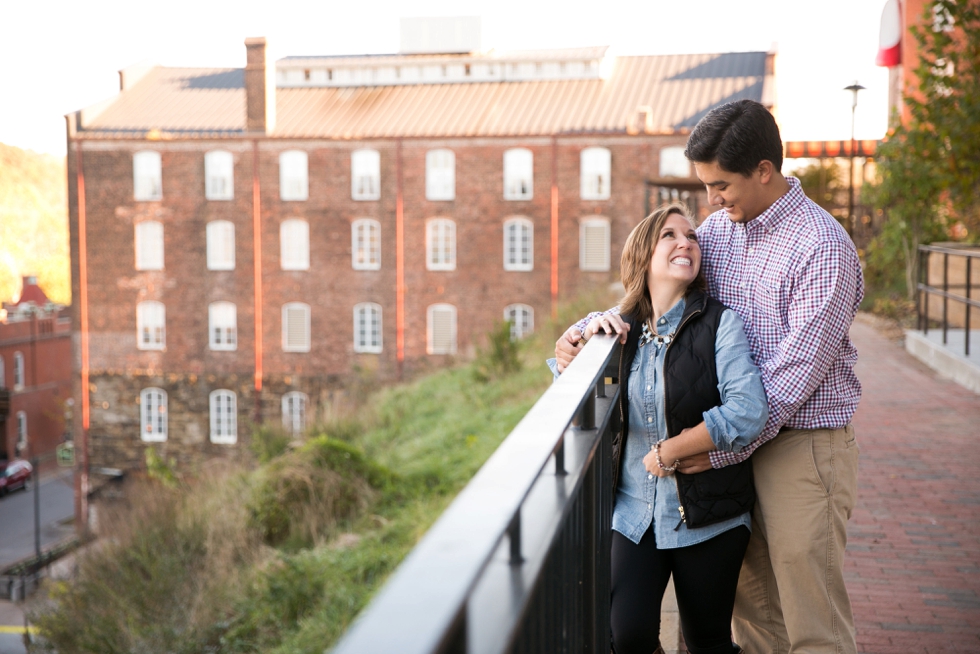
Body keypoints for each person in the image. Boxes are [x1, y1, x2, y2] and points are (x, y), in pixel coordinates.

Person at [557, 99, 863, 654]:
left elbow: (790, 382)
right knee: (752, 614)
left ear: (764, 172)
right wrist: (582, 333)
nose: (710, 200)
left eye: (720, 184)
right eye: (705, 186)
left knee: (809, 612)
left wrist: (712, 449)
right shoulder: (717, 233)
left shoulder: (823, 248)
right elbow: (654, 298)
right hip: (727, 446)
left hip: (800, 443)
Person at [552, 203, 768, 654]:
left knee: (706, 642)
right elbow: (569, 386)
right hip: (634, 516)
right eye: (669, 235)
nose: (685, 242)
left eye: (691, 236)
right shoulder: (617, 327)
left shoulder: (720, 324)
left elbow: (748, 411)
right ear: (643, 254)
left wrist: (671, 450)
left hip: (709, 514)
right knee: (626, 636)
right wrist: (577, 343)